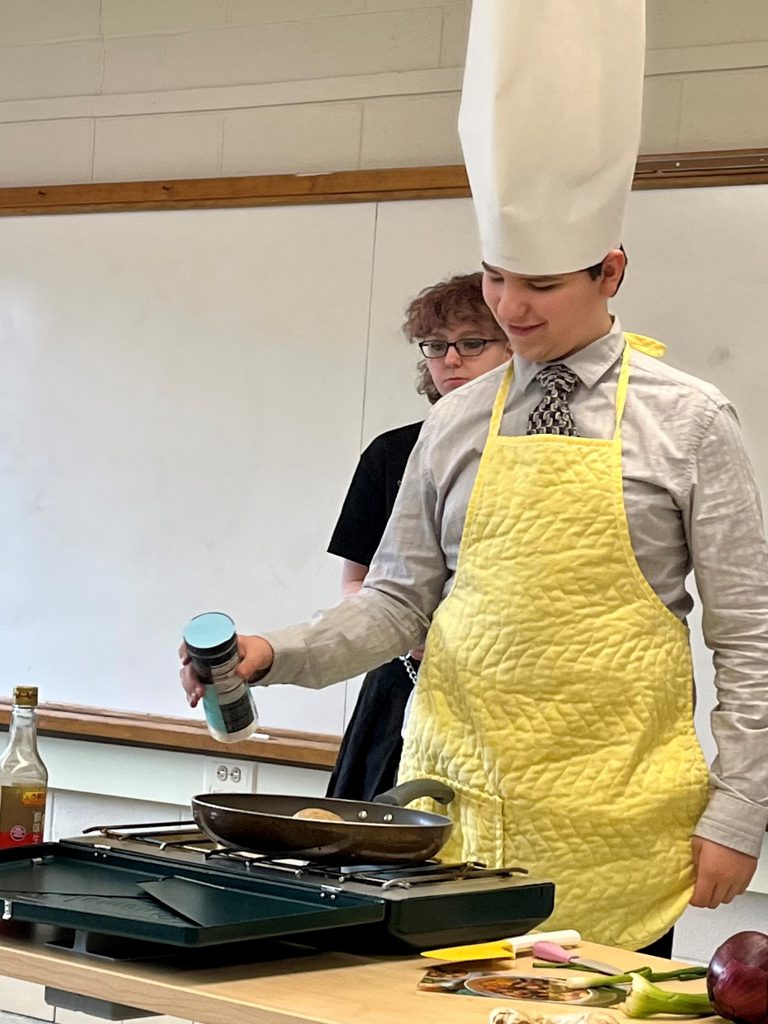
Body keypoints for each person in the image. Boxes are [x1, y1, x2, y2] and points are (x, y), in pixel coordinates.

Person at [181, 2, 768, 954]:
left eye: (541, 284)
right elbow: (398, 605)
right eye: (498, 277)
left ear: (610, 270)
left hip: (619, 827)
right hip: (445, 816)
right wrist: (272, 654)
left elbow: (751, 639)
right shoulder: (454, 423)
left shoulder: (690, 420)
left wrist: (739, 812)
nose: (511, 307)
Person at [326, 273, 511, 801]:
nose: (450, 360)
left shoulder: (545, 452)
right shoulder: (391, 453)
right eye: (435, 346)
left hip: (499, 692)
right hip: (400, 684)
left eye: (472, 343)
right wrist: (415, 643)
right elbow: (357, 582)